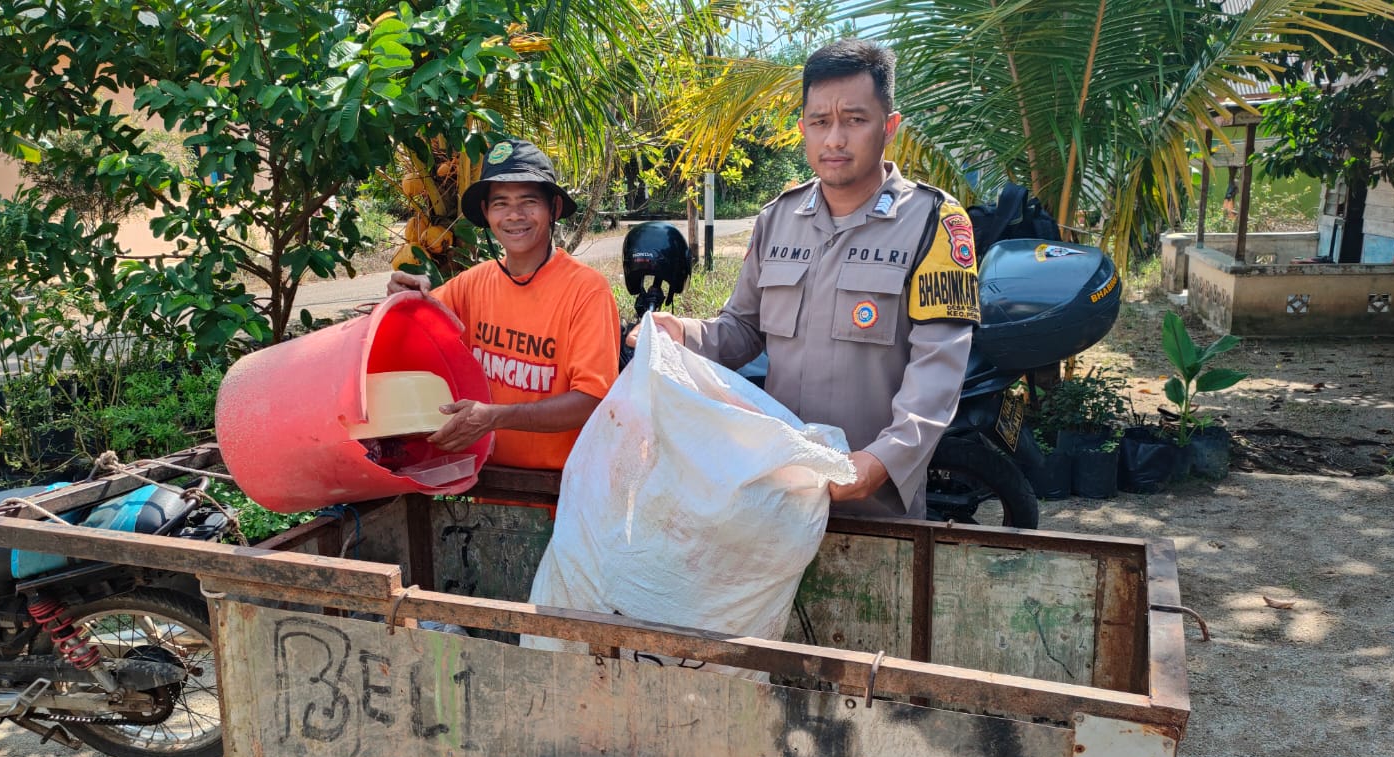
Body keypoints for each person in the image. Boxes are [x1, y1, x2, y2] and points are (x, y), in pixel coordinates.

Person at [637, 39, 980, 519]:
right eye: (820, 122)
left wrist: (882, 461)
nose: (835, 139)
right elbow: (742, 330)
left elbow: (939, 370)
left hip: (873, 504)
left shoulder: (933, 222)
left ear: (889, 127)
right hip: (775, 493)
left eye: (854, 120)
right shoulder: (777, 218)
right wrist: (685, 333)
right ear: (803, 129)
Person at [387, 139, 619, 470]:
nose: (514, 216)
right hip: (489, 485)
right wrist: (400, 297)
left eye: (528, 201)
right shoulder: (471, 284)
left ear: (552, 208)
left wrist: (497, 418)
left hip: (560, 494)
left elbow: (591, 400)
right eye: (501, 203)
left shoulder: (586, 291)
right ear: (486, 213)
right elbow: (413, 329)